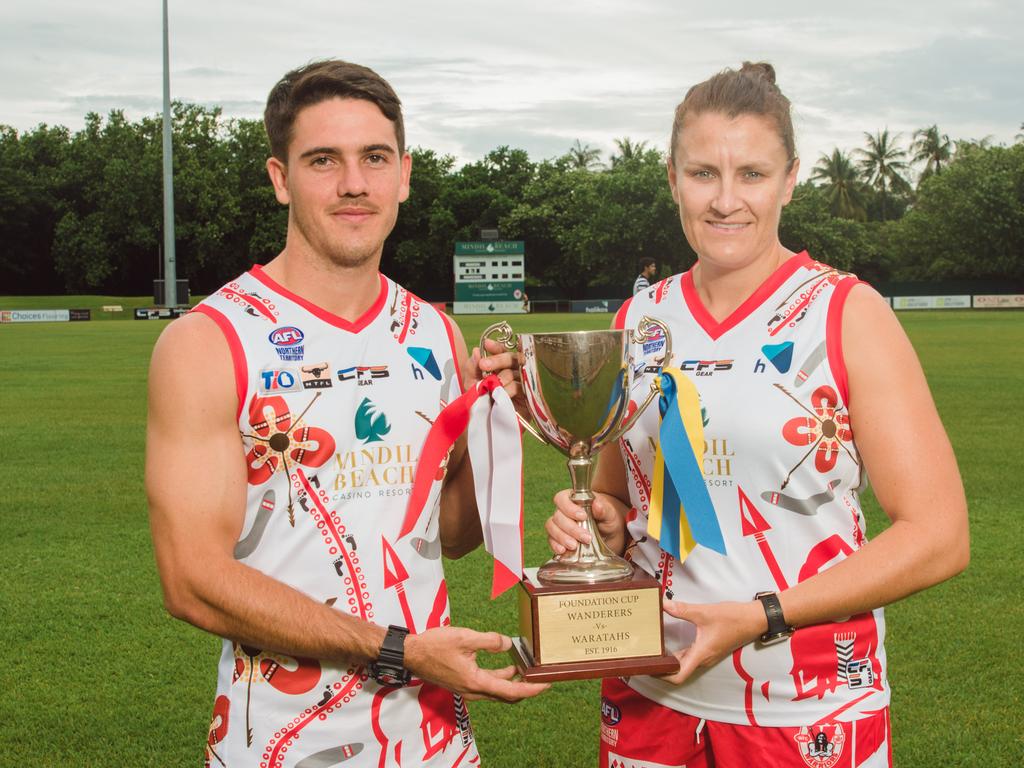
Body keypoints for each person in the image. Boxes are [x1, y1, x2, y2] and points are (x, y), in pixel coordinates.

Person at [542, 62, 969, 767]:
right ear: (672, 177)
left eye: (753, 174)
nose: (725, 200)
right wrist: (604, 524)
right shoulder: (639, 317)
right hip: (650, 696)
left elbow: (940, 535)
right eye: (704, 173)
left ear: (790, 179)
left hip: (808, 704)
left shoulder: (845, 312)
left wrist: (761, 616)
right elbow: (624, 500)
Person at [146, 59, 545, 768]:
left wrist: (496, 425)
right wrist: (399, 649)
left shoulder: (434, 334)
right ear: (280, 178)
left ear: (404, 176)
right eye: (323, 160)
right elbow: (192, 579)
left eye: (374, 158)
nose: (354, 183)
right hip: (275, 743)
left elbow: (449, 536)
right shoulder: (209, 342)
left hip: (434, 742)